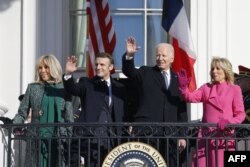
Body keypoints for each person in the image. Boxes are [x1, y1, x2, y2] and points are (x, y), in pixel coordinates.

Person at [122, 36, 188, 167]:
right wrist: (129, 56)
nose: (160, 58)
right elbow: (129, 71)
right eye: (158, 55)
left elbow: (181, 110)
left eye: (164, 55)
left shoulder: (178, 79)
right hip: (147, 132)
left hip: (170, 134)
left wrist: (182, 135)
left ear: (172, 59)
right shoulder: (146, 72)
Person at [177, 57, 246, 167]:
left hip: (224, 137)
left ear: (225, 71)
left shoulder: (234, 89)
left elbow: (241, 114)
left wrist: (229, 122)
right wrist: (184, 87)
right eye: (212, 68)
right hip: (206, 136)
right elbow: (190, 98)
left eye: (218, 68)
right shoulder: (206, 88)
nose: (214, 71)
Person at [63, 52, 128, 167]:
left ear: (111, 67)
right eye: (96, 64)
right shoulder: (87, 83)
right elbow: (72, 89)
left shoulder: (120, 88)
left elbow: (125, 111)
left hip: (113, 139)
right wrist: (68, 74)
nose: (98, 67)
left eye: (102, 65)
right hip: (91, 138)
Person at [13, 54, 74, 167]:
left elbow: (69, 117)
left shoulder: (64, 88)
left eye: (46, 67)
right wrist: (14, 124)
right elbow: (22, 112)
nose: (42, 71)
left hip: (58, 139)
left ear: (53, 68)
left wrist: (69, 139)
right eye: (40, 68)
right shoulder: (33, 87)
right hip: (36, 138)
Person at [235, 65, 250, 150]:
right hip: (240, 136)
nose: (237, 83)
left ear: (248, 82)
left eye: (240, 81)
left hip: (246, 137)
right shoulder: (242, 96)